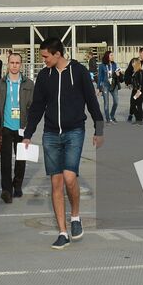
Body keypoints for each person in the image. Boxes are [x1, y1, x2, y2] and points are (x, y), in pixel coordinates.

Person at [22, 37, 104, 249]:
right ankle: (62, 232)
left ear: (57, 54)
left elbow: (91, 101)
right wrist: (28, 133)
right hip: (50, 134)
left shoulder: (78, 72)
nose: (43, 60)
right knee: (56, 183)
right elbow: (37, 107)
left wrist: (99, 128)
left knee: (69, 178)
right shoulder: (44, 76)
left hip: (74, 131)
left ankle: (75, 217)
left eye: (46, 56)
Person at [0, 52, 34, 202]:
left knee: (21, 159)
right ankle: (6, 189)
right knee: (5, 160)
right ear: (8, 64)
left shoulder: (29, 84)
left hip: (21, 127)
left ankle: (17, 185)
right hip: (5, 126)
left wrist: (29, 127)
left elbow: (33, 106)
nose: (14, 65)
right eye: (12, 62)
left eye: (17, 63)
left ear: (21, 65)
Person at [96, 50, 119, 122]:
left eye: (112, 55)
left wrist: (118, 74)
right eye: (111, 55)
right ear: (107, 56)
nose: (113, 57)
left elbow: (116, 73)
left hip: (113, 84)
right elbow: (100, 77)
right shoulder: (102, 65)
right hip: (105, 85)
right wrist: (98, 88)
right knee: (106, 103)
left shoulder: (114, 64)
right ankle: (108, 118)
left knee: (116, 102)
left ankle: (112, 115)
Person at [126, 57, 143, 123]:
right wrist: (130, 84)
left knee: (138, 104)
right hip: (135, 90)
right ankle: (138, 118)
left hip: (139, 90)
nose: (132, 64)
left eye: (133, 62)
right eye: (132, 62)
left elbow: (141, 82)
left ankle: (139, 119)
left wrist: (139, 90)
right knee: (133, 104)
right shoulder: (134, 71)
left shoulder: (140, 72)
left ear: (137, 63)